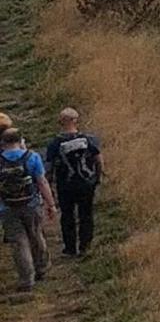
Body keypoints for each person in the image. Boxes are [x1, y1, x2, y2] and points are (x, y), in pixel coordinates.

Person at [47, 108, 99, 259]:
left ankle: (70, 248)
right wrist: (97, 176)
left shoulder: (55, 143)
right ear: (76, 120)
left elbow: (49, 167)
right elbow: (98, 158)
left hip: (66, 185)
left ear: (60, 122)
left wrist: (49, 185)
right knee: (86, 214)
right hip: (86, 183)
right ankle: (85, 246)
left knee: (67, 215)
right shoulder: (88, 139)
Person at [0, 126, 44, 291]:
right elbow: (42, 182)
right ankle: (41, 267)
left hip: (7, 207)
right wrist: (51, 204)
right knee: (36, 236)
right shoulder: (32, 157)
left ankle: (27, 279)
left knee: (19, 243)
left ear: (3, 143)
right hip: (31, 204)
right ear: (20, 140)